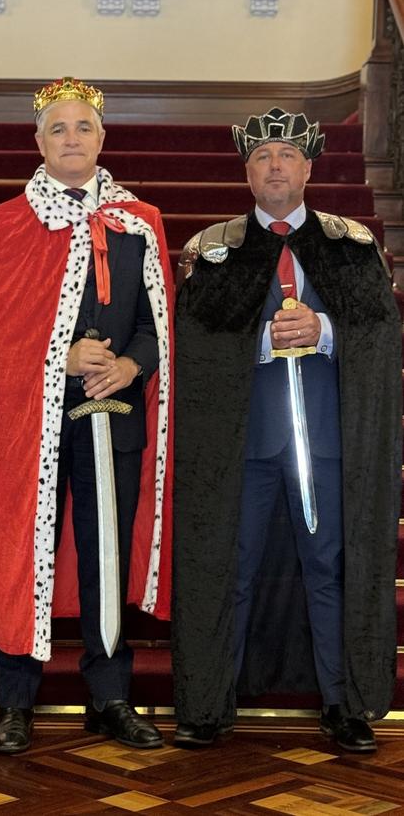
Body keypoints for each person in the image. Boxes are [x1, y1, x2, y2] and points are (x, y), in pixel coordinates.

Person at [172, 107, 401, 753]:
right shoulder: (215, 250)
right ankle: (211, 704)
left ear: (308, 167)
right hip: (242, 447)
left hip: (326, 445)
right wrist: (262, 344)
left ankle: (345, 704)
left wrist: (324, 333)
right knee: (231, 567)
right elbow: (196, 344)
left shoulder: (349, 247)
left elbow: (380, 335)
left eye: (286, 156)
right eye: (263, 157)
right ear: (248, 172)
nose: (275, 166)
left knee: (328, 568)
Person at [0, 77, 174, 754]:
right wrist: (64, 354)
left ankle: (109, 696)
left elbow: (153, 320)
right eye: (59, 128)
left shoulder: (140, 220)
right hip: (32, 422)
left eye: (83, 127)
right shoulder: (6, 223)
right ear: (38, 141)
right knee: (24, 550)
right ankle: (15, 700)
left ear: (103, 138)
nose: (73, 138)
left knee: (106, 558)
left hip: (115, 417)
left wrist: (131, 365)